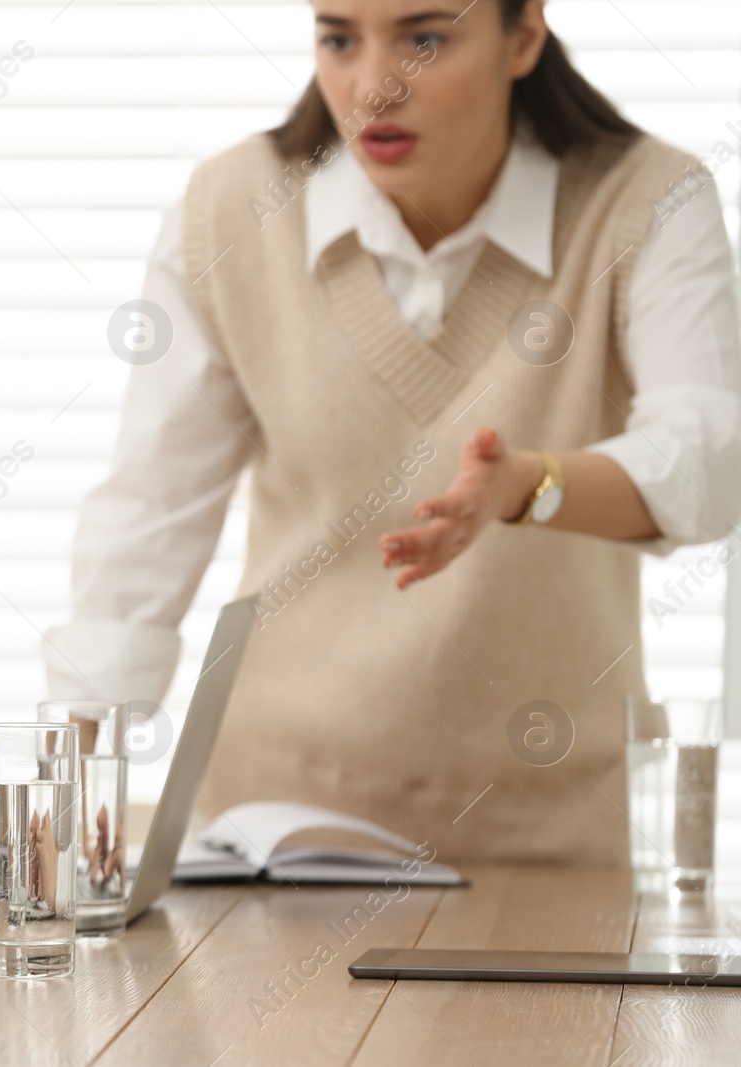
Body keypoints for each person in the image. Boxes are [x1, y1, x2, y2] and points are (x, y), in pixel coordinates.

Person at [47, 0, 741, 865]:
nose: (372, 88)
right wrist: (63, 792)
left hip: (551, 839)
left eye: (424, 37)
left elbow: (710, 465)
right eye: (338, 38)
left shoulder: (646, 202)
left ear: (523, 35)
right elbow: (152, 510)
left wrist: (528, 483)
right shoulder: (231, 210)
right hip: (279, 835)